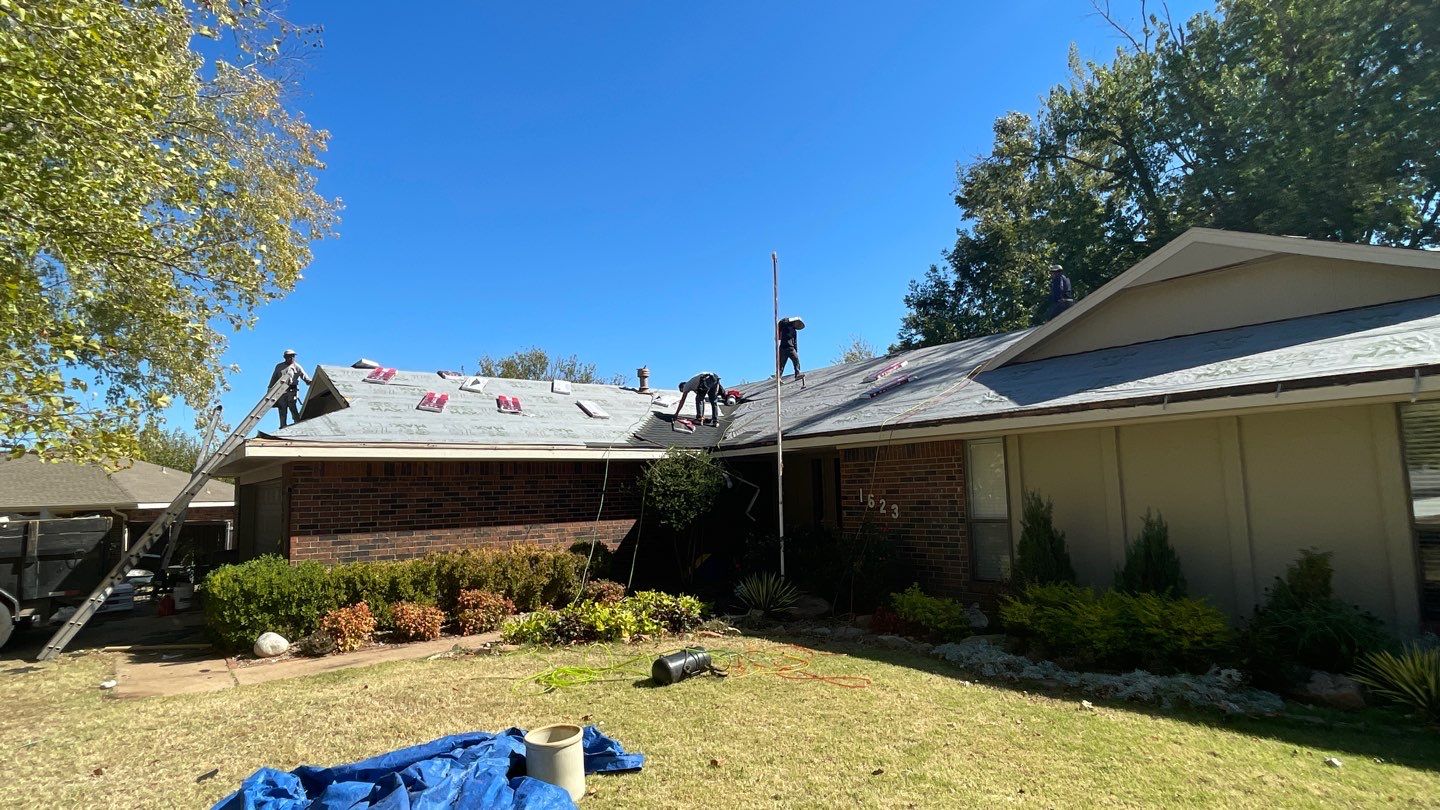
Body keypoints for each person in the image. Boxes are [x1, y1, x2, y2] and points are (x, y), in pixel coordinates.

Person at [269, 349, 311, 428]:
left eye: (293, 356)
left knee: (292, 407)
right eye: (289, 356)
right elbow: (274, 378)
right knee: (282, 409)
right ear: (285, 357)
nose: (291, 358)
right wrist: (270, 389)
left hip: (292, 391)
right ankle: (282, 425)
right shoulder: (279, 366)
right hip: (281, 391)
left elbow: (304, 376)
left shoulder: (297, 366)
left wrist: (309, 381)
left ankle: (297, 423)